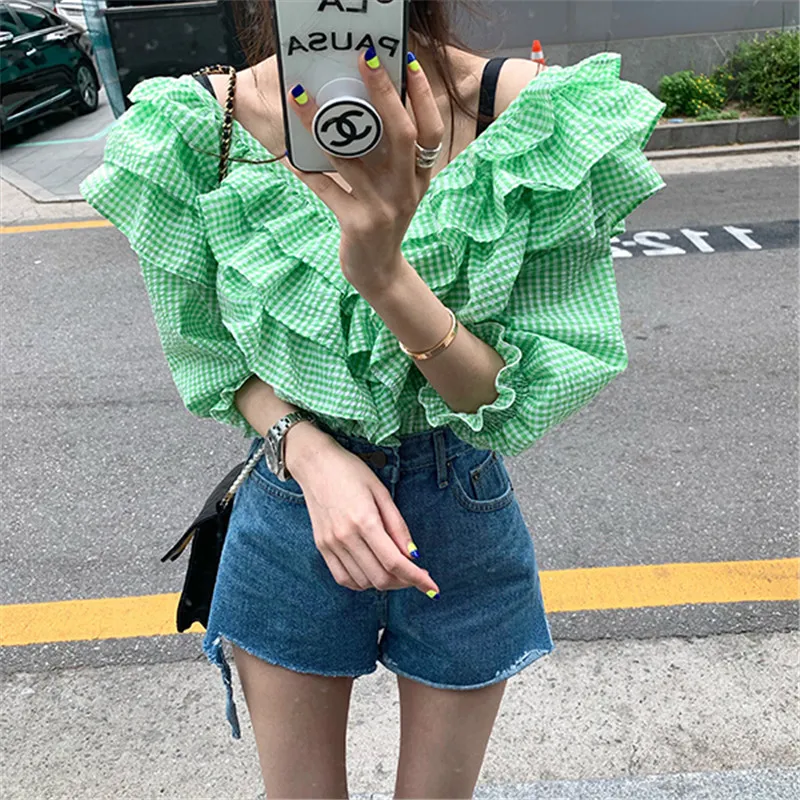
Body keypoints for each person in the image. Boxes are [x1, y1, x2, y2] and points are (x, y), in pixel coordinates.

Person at [81, 1, 666, 796]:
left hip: (459, 508)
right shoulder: (195, 129)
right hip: (289, 506)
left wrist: (384, 274)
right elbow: (211, 359)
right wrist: (311, 455)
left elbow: (508, 400)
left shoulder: (529, 117)